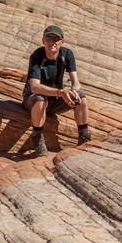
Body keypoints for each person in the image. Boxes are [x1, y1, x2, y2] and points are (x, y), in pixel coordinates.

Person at [21, 24, 90, 155]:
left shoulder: (67, 54)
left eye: (56, 39)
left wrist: (73, 91)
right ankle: (37, 138)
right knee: (40, 99)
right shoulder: (37, 56)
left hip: (55, 99)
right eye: (48, 38)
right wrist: (60, 92)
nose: (52, 42)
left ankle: (84, 136)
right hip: (33, 99)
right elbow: (35, 87)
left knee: (81, 97)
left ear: (62, 42)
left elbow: (76, 82)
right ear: (43, 41)